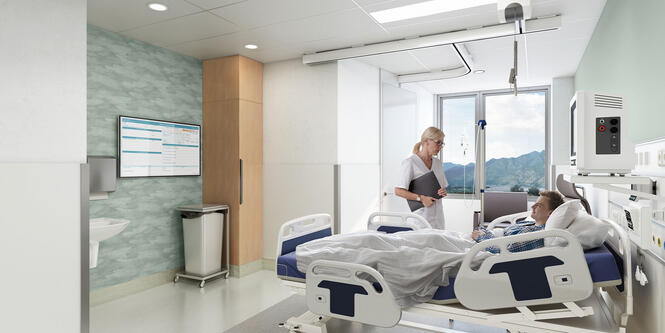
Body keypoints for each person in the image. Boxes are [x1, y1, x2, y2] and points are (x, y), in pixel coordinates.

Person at [471, 190, 565, 253]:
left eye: (539, 205)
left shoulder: (536, 235)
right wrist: (483, 233)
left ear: (550, 212)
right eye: (534, 204)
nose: (532, 207)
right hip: (486, 239)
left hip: (484, 246)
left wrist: (481, 237)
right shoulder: (529, 223)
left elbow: (504, 251)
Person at [395, 127, 448, 229]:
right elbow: (398, 191)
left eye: (442, 144)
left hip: (438, 220)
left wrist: (443, 191)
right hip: (419, 220)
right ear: (427, 141)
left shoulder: (438, 163)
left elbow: (442, 187)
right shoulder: (410, 162)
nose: (441, 146)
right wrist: (421, 198)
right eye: (438, 143)